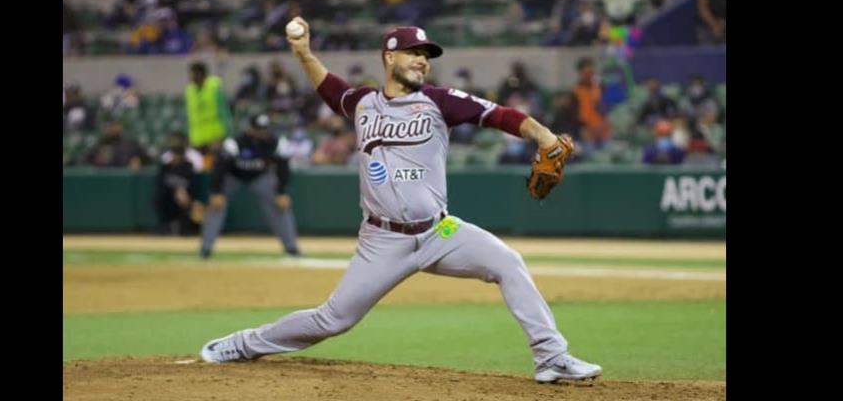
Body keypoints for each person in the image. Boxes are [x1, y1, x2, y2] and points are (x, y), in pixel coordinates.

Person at [199, 19, 602, 384]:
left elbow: (501, 115)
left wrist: (545, 137)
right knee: (333, 319)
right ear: (389, 56)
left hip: (440, 230)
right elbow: (329, 87)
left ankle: (551, 356)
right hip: (383, 240)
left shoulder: (440, 101)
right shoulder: (362, 104)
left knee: (507, 262)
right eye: (414, 52)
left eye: (425, 55)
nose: (422, 61)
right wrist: (303, 53)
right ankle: (246, 343)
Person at [199, 113, 301, 259]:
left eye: (264, 129)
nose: (261, 133)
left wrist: (282, 192)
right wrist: (216, 192)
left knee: (281, 206)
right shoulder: (235, 142)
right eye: (258, 129)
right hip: (232, 176)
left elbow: (283, 167)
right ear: (250, 128)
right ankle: (205, 249)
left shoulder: (276, 142)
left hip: (260, 177)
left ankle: (292, 248)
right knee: (216, 206)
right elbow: (219, 167)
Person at [155, 132, 205, 236]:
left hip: (185, 204)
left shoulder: (188, 167)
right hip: (168, 201)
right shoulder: (165, 167)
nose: (177, 156)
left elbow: (195, 188)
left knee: (191, 204)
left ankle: (186, 229)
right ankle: (165, 227)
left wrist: (188, 196)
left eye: (179, 153)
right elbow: (159, 186)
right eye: (175, 153)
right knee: (159, 197)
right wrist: (175, 191)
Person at [185, 61, 232, 158]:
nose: (191, 78)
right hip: (197, 137)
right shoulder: (189, 90)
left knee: (215, 164)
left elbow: (224, 111)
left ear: (202, 74)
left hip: (214, 136)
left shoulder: (214, 87)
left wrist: (223, 134)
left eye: (194, 74)